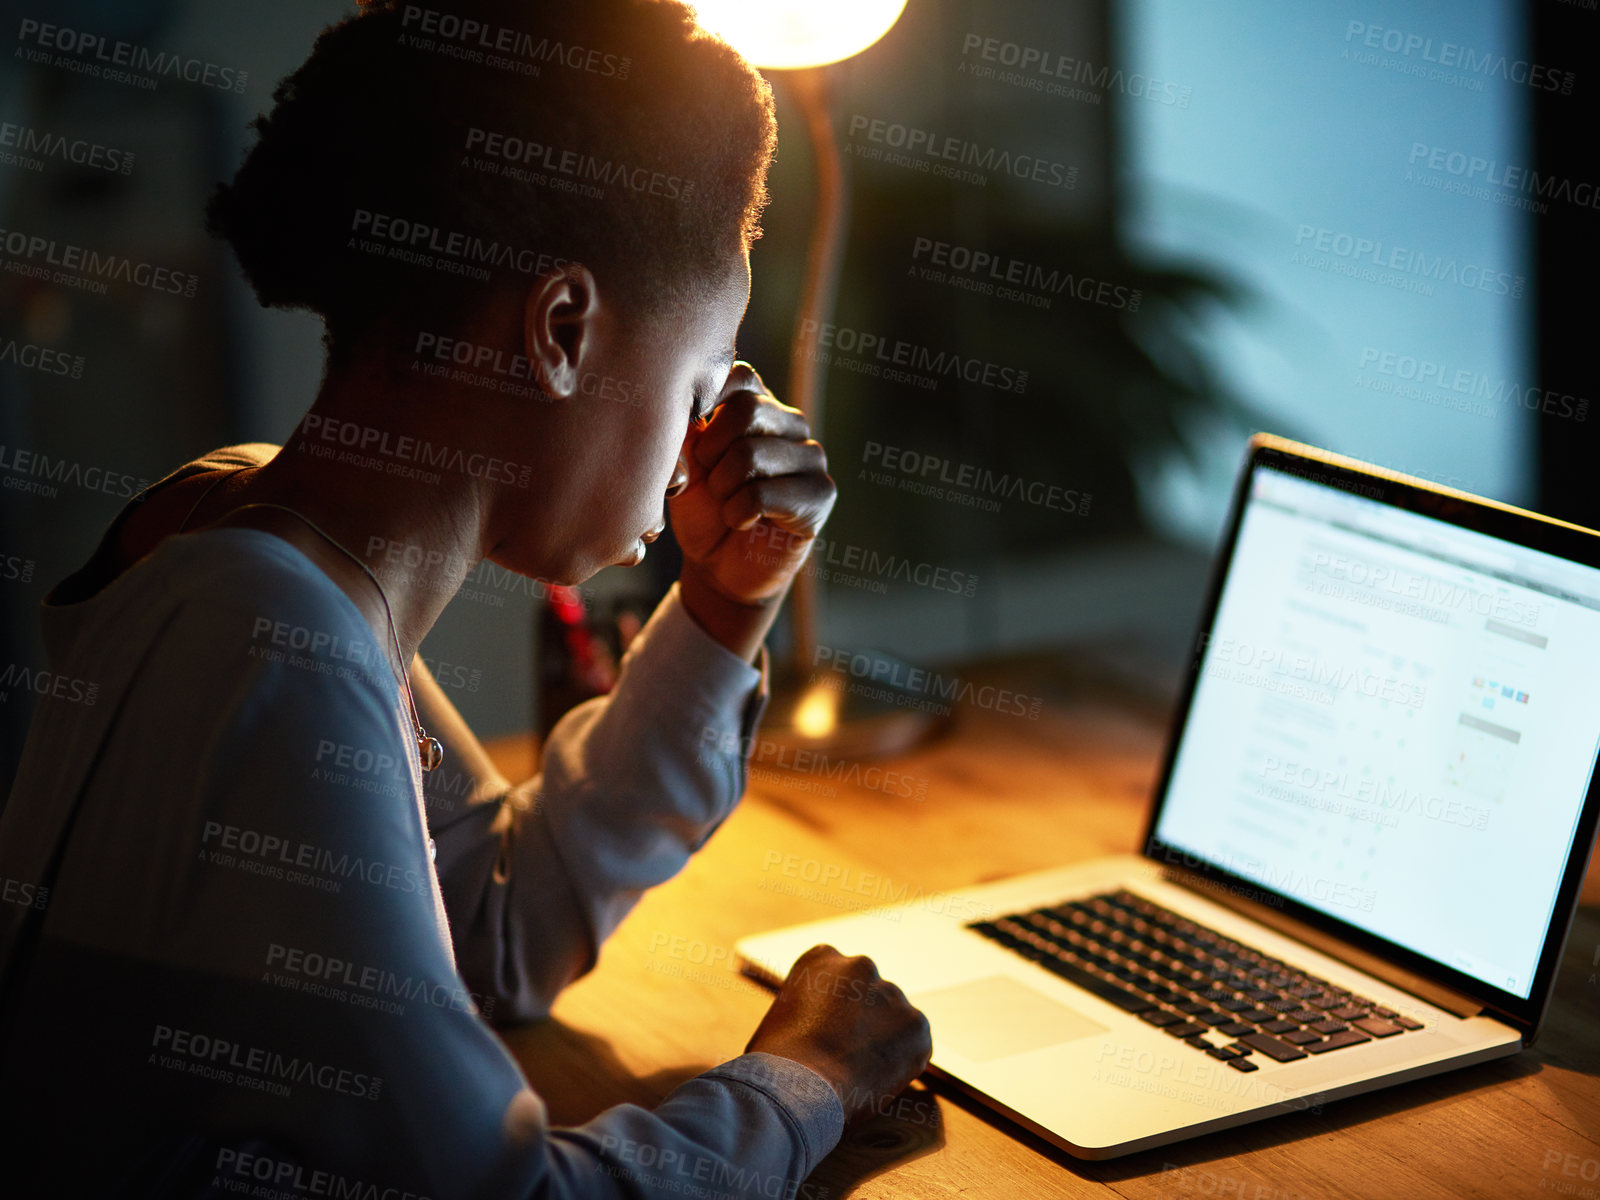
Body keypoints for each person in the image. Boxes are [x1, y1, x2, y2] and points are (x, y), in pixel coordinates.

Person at [0, 0, 931, 1194]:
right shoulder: (278, 644)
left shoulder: (241, 529)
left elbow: (496, 932)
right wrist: (807, 1079)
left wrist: (726, 600)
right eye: (703, 376)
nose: (710, 432)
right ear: (560, 331)